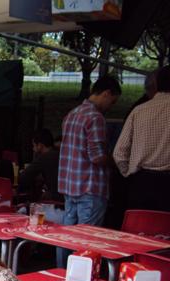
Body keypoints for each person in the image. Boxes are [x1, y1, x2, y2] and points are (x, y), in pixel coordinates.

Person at [57, 75, 121, 265]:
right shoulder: (96, 118)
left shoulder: (71, 114)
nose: (111, 106)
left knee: (66, 237)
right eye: (113, 101)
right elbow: (97, 156)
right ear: (106, 93)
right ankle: (81, 277)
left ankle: (61, 273)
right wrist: (116, 163)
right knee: (86, 240)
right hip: (90, 188)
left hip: (69, 186)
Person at [113, 65, 170, 212]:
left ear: (157, 84)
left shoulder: (139, 111)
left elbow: (119, 153)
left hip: (140, 183)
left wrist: (130, 174)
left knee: (140, 223)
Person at [18, 128, 62, 202]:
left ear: (40, 145)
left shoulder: (44, 157)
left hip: (56, 200)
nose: (33, 149)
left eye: (33, 145)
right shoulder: (59, 154)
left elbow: (24, 177)